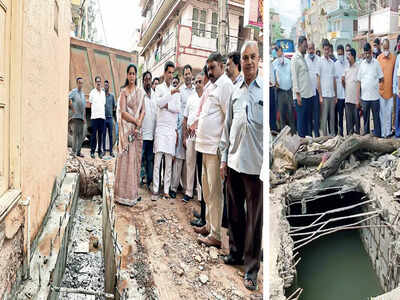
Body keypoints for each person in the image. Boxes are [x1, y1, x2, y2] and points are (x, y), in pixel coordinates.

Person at [220, 40, 263, 291]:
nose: (247, 62)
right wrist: (224, 159)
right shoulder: (235, 89)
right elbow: (228, 128)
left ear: (258, 60)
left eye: (252, 57)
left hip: (255, 167)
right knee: (235, 212)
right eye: (245, 57)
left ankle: (251, 269)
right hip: (234, 162)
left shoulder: (263, 91)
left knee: (254, 221)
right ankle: (235, 253)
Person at [195, 52, 234, 248]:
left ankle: (216, 234)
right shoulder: (212, 86)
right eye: (208, 68)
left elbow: (229, 120)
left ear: (221, 66)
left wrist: (224, 152)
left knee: (215, 192)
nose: (210, 72)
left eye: (213, 68)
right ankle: (209, 225)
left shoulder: (226, 85)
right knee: (207, 190)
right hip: (204, 147)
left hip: (214, 148)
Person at [114, 64, 145, 206]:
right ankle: (122, 195)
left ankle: (132, 194)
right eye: (130, 73)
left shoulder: (140, 92)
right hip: (127, 132)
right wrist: (135, 121)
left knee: (135, 162)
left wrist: (139, 123)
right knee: (125, 162)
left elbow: (143, 110)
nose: (132, 76)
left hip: (136, 132)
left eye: (134, 74)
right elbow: (123, 113)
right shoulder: (124, 92)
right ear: (127, 75)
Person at [152, 61, 181, 201]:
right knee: (157, 161)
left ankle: (166, 190)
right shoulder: (158, 88)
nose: (170, 75)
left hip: (170, 130)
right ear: (164, 73)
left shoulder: (176, 91)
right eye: (168, 72)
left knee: (169, 163)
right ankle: (156, 189)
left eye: (172, 73)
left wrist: (166, 104)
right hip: (161, 128)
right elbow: (158, 103)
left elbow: (177, 108)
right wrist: (170, 95)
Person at [189, 65, 210, 227]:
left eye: (200, 81)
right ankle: (203, 214)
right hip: (200, 142)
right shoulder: (207, 93)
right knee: (202, 181)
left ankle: (205, 218)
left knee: (206, 184)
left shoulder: (211, 92)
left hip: (207, 145)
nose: (198, 84)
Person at [183, 73, 204, 205]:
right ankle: (189, 192)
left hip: (202, 138)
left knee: (200, 167)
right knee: (190, 163)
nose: (197, 84)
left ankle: (201, 196)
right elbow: (185, 118)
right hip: (190, 137)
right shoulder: (191, 98)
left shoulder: (207, 98)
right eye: (196, 82)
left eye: (200, 82)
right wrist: (185, 136)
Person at [357, 42, 384, 137]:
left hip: (375, 97)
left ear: (371, 52)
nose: (367, 55)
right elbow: (359, 81)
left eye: (368, 53)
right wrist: (359, 98)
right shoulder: (361, 64)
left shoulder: (376, 63)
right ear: (364, 53)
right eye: (365, 53)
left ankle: (378, 138)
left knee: (376, 119)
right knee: (366, 120)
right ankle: (366, 139)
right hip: (365, 98)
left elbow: (381, 78)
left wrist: (374, 85)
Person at [291, 36, 313, 138]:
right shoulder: (295, 58)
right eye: (305, 46)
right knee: (301, 123)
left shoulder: (303, 58)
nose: (306, 48)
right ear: (299, 45)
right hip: (301, 97)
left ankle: (308, 144)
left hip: (308, 95)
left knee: (307, 122)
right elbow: (294, 78)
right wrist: (298, 95)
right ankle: (301, 144)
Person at [170, 75, 186, 199]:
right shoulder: (170, 96)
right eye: (173, 83)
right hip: (173, 133)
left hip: (183, 133)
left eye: (177, 83)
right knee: (174, 161)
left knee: (182, 163)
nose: (175, 85)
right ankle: (172, 187)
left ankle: (179, 188)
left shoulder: (183, 97)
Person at [141, 71, 156, 192]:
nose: (148, 81)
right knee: (140, 159)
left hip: (152, 135)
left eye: (149, 79)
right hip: (142, 134)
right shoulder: (140, 95)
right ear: (143, 81)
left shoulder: (155, 95)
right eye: (146, 79)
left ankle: (149, 183)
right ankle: (139, 181)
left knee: (150, 160)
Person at [377, 39, 396, 138]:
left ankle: (387, 133)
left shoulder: (394, 58)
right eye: (384, 48)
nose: (386, 50)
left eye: (387, 48)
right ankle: (382, 133)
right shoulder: (379, 58)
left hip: (390, 91)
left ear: (389, 47)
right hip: (380, 91)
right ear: (382, 47)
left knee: (389, 113)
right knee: (382, 114)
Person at [274, 46, 295, 133]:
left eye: (280, 53)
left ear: (282, 53)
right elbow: (272, 78)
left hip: (289, 91)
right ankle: (283, 136)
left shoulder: (289, 62)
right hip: (280, 92)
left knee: (291, 114)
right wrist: (275, 82)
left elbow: (293, 77)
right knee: (282, 114)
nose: (280, 56)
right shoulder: (274, 64)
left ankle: (293, 133)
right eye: (278, 54)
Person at [319, 40, 337, 136]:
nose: (326, 51)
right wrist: (320, 96)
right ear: (323, 49)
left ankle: (332, 136)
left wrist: (336, 95)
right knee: (324, 118)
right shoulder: (320, 62)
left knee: (332, 117)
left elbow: (334, 80)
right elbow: (318, 79)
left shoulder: (332, 63)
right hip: (324, 95)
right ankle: (324, 137)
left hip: (332, 94)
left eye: (328, 49)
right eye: (325, 49)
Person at [305, 42, 322, 137]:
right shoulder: (304, 59)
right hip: (307, 91)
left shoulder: (318, 60)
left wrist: (320, 94)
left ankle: (317, 135)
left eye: (312, 48)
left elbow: (319, 76)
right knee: (309, 115)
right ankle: (309, 136)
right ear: (307, 49)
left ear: (314, 49)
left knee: (316, 115)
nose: (311, 51)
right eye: (309, 49)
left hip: (315, 91)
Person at [343, 48, 361, 135]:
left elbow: (358, 84)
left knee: (357, 122)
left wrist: (358, 100)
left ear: (353, 56)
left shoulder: (358, 68)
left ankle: (358, 141)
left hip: (355, 101)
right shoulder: (346, 69)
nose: (347, 57)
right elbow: (344, 84)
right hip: (347, 100)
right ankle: (349, 139)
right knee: (349, 123)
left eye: (349, 55)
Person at [89, 76, 106, 159]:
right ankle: (92, 152)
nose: (98, 83)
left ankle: (99, 152)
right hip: (94, 117)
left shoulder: (103, 93)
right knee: (93, 135)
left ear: (101, 82)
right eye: (97, 81)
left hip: (102, 117)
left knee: (100, 135)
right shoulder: (92, 92)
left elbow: (103, 104)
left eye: (99, 81)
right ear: (95, 83)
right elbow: (90, 103)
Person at [69, 77, 86, 157]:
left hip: (82, 117)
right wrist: (72, 108)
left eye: (82, 83)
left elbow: (84, 106)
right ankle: (73, 151)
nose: (80, 84)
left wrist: (85, 117)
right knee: (75, 135)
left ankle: (79, 152)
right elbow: (68, 98)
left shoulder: (82, 93)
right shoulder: (74, 92)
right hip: (76, 117)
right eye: (79, 83)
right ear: (77, 83)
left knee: (81, 135)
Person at [334, 45, 346, 137]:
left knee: (347, 116)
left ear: (344, 53)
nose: (340, 55)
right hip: (338, 95)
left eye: (341, 54)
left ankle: (349, 133)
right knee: (339, 116)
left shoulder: (347, 63)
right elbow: (334, 80)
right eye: (338, 54)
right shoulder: (335, 65)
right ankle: (338, 134)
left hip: (347, 95)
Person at [102, 80, 116, 156]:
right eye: (105, 85)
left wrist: (110, 112)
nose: (106, 87)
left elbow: (114, 106)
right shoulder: (101, 96)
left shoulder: (112, 96)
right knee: (103, 135)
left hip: (110, 118)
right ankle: (103, 151)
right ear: (104, 87)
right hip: (103, 118)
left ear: (109, 86)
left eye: (107, 85)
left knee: (111, 135)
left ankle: (111, 151)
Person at [394, 35, 400, 137]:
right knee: (398, 110)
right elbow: (397, 74)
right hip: (399, 90)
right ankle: (398, 132)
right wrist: (397, 89)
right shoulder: (398, 57)